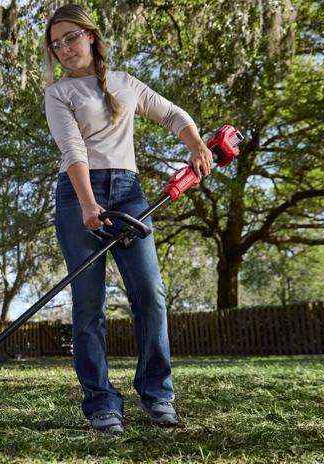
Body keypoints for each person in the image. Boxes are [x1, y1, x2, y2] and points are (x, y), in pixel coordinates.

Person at [44, 5, 212, 433]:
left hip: (129, 193)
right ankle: (101, 403)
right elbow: (72, 150)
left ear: (91, 35)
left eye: (70, 37)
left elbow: (174, 114)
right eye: (55, 44)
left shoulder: (125, 83)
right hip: (78, 195)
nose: (63, 48)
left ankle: (158, 396)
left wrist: (194, 145)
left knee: (149, 294)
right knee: (88, 305)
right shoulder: (59, 93)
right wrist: (86, 204)